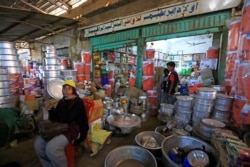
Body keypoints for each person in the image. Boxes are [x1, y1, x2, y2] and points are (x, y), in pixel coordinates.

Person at [34, 80, 89, 167]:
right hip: (62, 127)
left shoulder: (78, 102)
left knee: (51, 148)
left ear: (73, 90)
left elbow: (67, 119)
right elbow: (57, 118)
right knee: (38, 144)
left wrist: (65, 104)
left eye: (69, 88)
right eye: (64, 88)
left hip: (75, 129)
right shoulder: (62, 101)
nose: (66, 91)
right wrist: (51, 109)